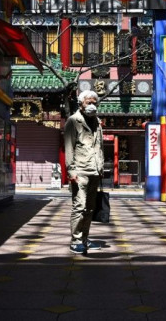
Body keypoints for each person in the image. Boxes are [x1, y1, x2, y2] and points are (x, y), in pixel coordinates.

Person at [64, 89, 104, 254]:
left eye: (94, 102)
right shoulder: (73, 121)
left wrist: (101, 167)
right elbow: (69, 148)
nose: (92, 105)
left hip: (95, 171)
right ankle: (75, 240)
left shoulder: (98, 122)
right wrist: (71, 171)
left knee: (89, 208)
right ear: (81, 104)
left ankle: (85, 239)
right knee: (79, 206)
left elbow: (99, 147)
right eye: (89, 102)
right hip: (79, 171)